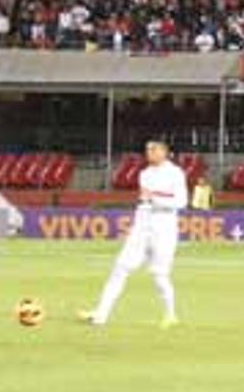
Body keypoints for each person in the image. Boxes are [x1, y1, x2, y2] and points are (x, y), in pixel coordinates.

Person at [80, 139, 186, 328]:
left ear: (164, 152)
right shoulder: (144, 174)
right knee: (120, 268)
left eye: (153, 149)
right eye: (147, 150)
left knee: (159, 274)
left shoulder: (175, 173)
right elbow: (145, 200)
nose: (149, 153)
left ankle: (170, 314)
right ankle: (101, 313)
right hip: (143, 224)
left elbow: (180, 201)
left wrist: (155, 198)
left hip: (165, 226)